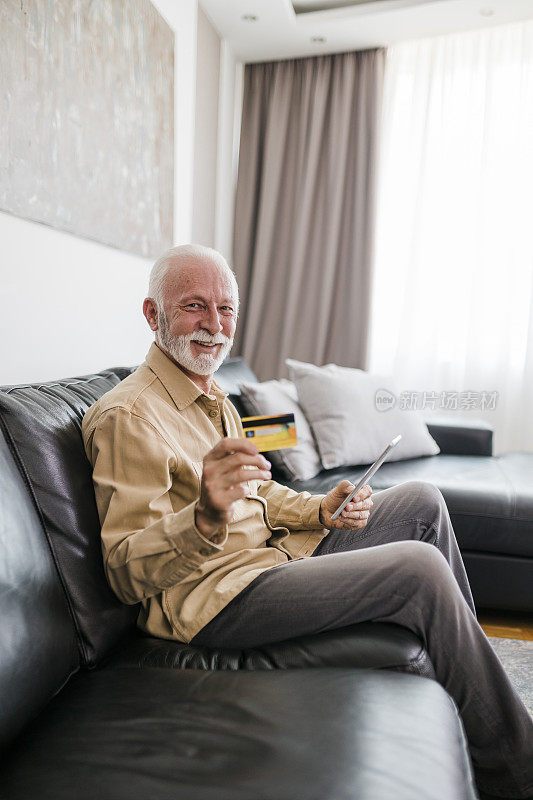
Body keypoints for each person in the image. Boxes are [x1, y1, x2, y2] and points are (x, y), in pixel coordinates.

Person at [82, 244, 533, 800]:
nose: (214, 325)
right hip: (218, 597)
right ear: (153, 314)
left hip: (272, 559)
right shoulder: (128, 416)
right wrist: (203, 517)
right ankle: (517, 772)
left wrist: (320, 509)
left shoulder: (212, 396)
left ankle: (470, 693)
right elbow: (125, 571)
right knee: (418, 569)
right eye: (195, 306)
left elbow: (260, 490)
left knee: (421, 499)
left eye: (226, 310)